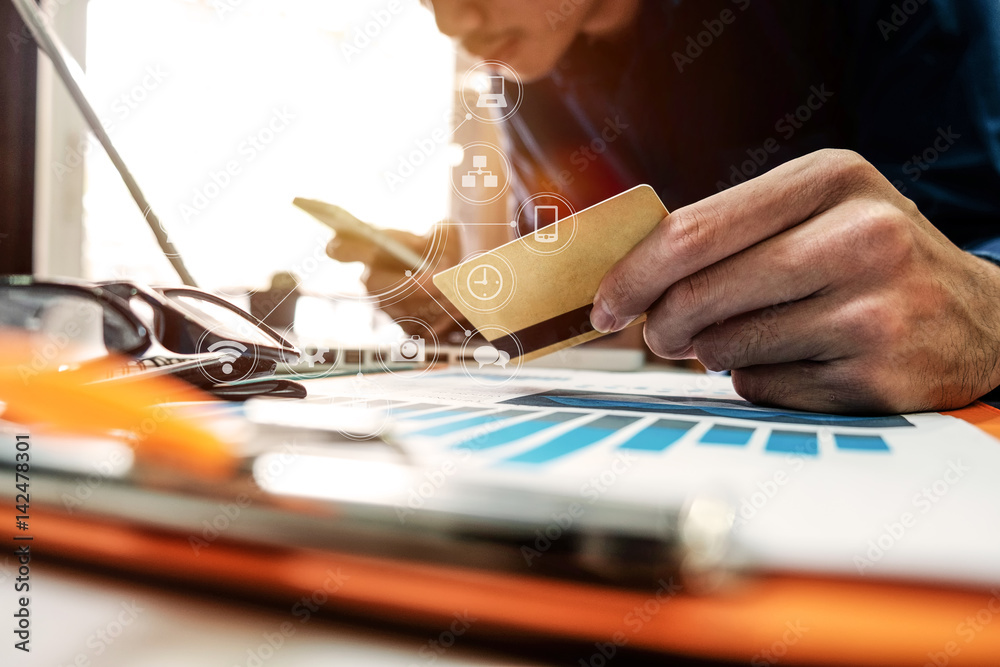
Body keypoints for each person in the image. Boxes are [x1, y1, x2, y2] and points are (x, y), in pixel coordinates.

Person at [329, 0, 1000, 415]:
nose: (453, 22)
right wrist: (461, 300)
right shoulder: (533, 85)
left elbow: (967, 259)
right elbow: (594, 305)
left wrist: (985, 325)